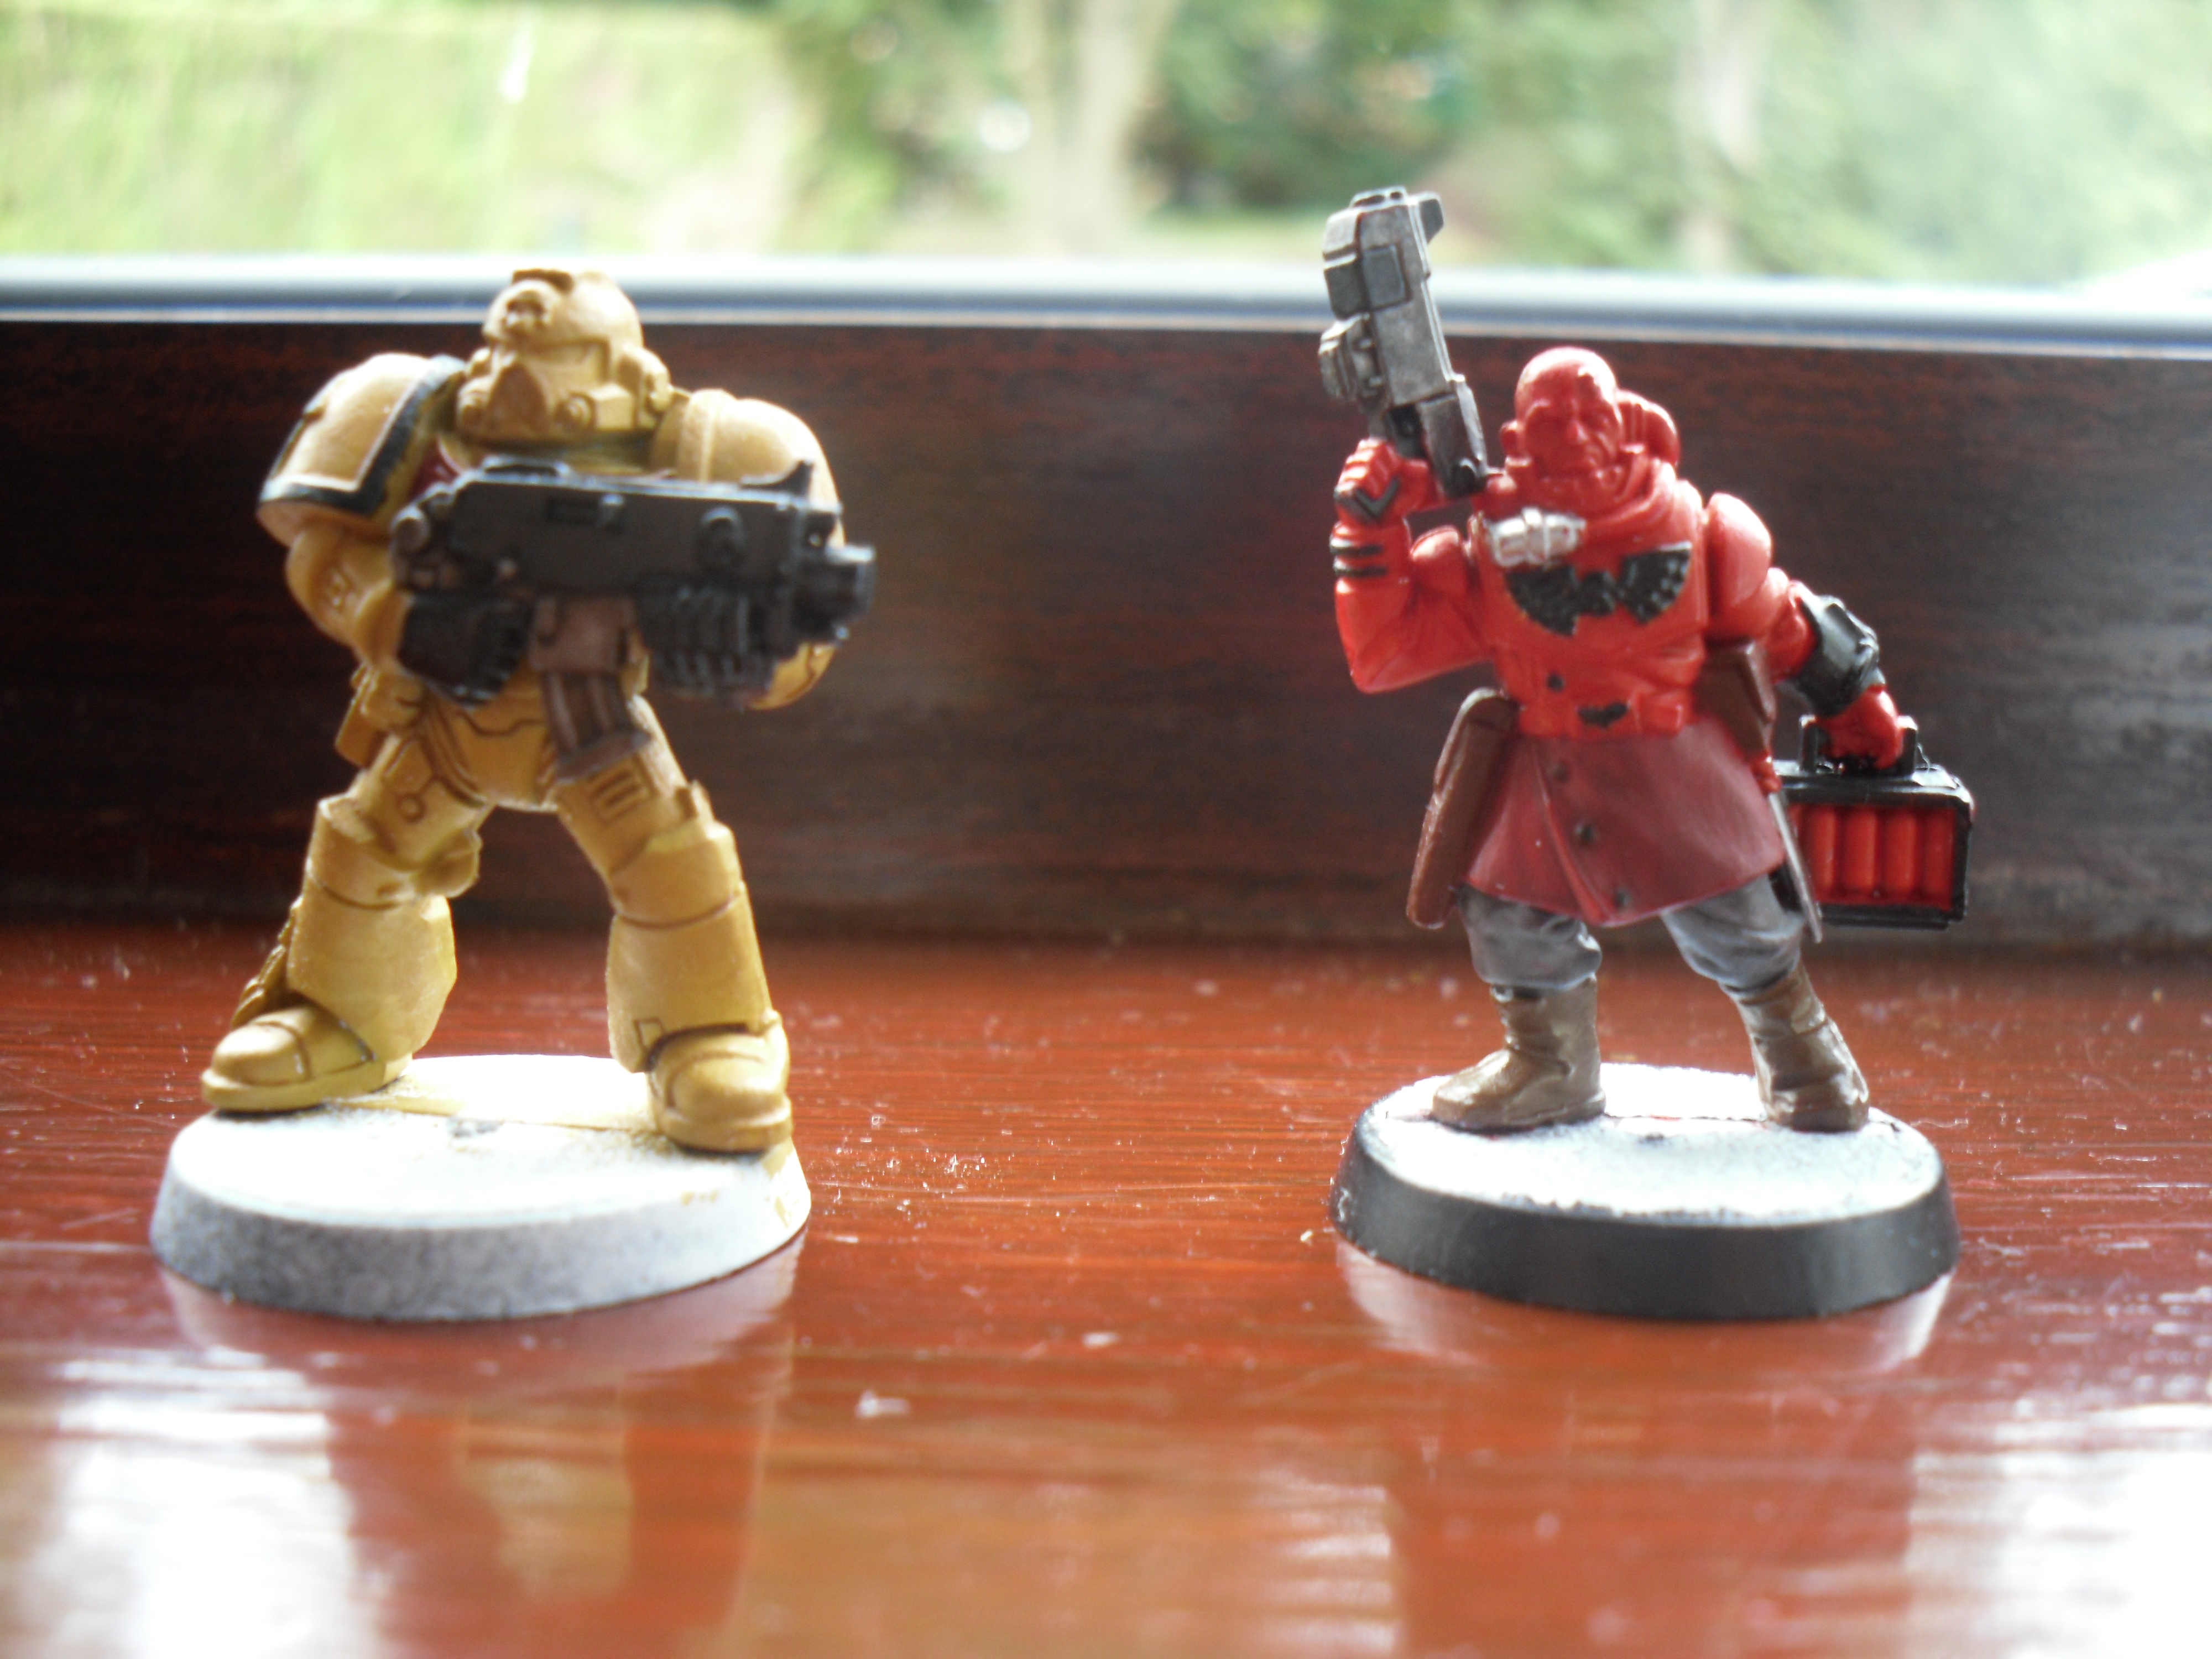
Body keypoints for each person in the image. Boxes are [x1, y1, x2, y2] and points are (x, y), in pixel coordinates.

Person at [200, 267, 847, 1152]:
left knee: (671, 862)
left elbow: (800, 633)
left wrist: (738, 629)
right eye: (506, 349)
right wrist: (402, 617)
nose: (518, 377)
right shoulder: (414, 420)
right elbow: (321, 551)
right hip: (444, 710)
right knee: (367, 846)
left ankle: (707, 1034)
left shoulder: (704, 452)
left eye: (558, 355)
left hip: (591, 720)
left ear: (631, 376)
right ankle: (337, 1014)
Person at [1332, 346, 1906, 1134]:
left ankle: (1804, 1057)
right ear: (1516, 442)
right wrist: (1372, 529)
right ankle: (1550, 1063)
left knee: (1745, 926)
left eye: (1591, 416)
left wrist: (1862, 710)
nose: (1573, 436)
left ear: (1632, 424)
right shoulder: (1490, 553)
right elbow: (1386, 653)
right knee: (1507, 915)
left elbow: (1788, 624)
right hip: (1550, 774)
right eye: (1550, 422)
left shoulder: (1703, 535)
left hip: (1681, 768)